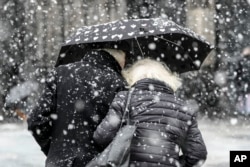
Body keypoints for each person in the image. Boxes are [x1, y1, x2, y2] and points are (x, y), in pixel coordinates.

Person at [93, 58, 207, 167]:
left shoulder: (124, 98)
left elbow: (102, 137)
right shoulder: (183, 107)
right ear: (168, 78)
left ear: (132, 78)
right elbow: (197, 155)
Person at [27, 49, 127, 167]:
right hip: (96, 163)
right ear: (119, 61)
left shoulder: (60, 73)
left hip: (58, 162)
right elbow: (120, 134)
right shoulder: (117, 83)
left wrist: (54, 149)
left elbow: (36, 120)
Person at [235, 46, 250, 115]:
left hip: (245, 82)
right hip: (243, 82)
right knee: (243, 97)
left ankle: (245, 111)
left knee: (246, 97)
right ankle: (243, 111)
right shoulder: (241, 61)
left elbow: (238, 72)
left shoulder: (242, 61)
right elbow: (238, 72)